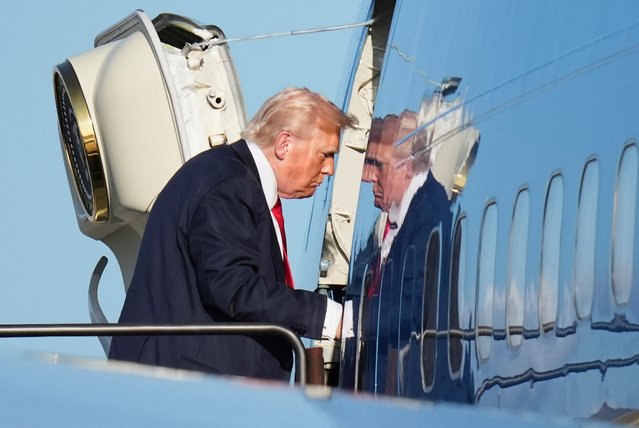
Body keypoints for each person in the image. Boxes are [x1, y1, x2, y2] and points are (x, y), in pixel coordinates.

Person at [109, 87, 357, 382]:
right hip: (188, 389)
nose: (329, 169)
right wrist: (331, 317)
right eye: (325, 154)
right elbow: (232, 287)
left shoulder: (228, 175)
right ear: (285, 144)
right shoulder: (229, 184)